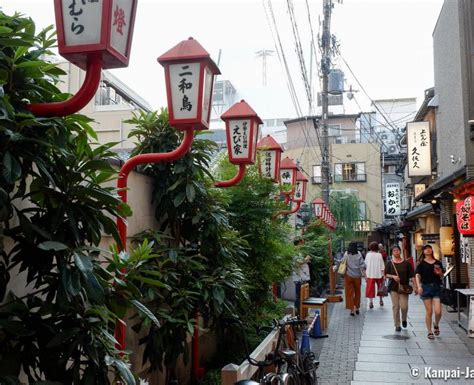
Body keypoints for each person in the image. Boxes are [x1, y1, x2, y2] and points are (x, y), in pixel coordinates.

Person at [415, 244, 445, 340]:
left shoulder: (438, 262)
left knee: (438, 311)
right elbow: (417, 275)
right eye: (426, 249)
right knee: (429, 311)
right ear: (423, 252)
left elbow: (442, 276)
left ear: (432, 250)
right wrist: (419, 286)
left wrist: (439, 273)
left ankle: (436, 324)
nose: (428, 250)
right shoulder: (421, 263)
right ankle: (429, 331)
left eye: (429, 248)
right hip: (426, 287)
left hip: (436, 287)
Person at [385, 245, 417, 332]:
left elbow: (412, 276)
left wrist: (416, 286)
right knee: (396, 306)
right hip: (393, 288)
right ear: (392, 253)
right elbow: (385, 275)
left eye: (397, 250)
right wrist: (393, 276)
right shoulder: (389, 263)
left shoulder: (406, 263)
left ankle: (404, 319)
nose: (396, 252)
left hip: (404, 288)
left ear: (400, 251)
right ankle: (397, 324)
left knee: (404, 306)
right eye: (394, 251)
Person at [343, 242, 366, 316]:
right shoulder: (359, 253)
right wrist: (365, 274)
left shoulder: (346, 254)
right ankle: (357, 308)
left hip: (349, 276)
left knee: (349, 293)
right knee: (357, 292)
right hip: (357, 276)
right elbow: (362, 265)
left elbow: (342, 262)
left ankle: (352, 310)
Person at [365, 241, 385, 308]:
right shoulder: (379, 255)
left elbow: (366, 265)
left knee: (370, 288)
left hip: (370, 274)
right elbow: (382, 266)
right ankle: (381, 300)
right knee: (380, 288)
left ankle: (371, 302)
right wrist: (383, 275)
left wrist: (365, 275)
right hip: (379, 274)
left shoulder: (368, 255)